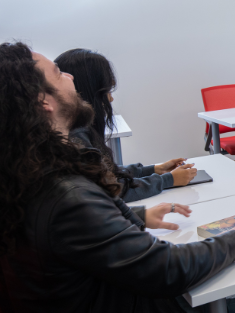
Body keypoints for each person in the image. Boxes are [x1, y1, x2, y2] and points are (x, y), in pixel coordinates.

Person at [0, 42, 235, 313]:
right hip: (123, 304)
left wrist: (137, 215)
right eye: (59, 73)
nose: (70, 77)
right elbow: (165, 269)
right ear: (43, 101)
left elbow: (72, 227)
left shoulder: (27, 172)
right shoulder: (67, 194)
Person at [55, 48, 197, 203]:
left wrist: (155, 169)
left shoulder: (75, 130)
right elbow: (113, 189)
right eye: (106, 92)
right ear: (90, 92)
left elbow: (106, 173)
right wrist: (167, 180)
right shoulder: (77, 135)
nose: (110, 99)